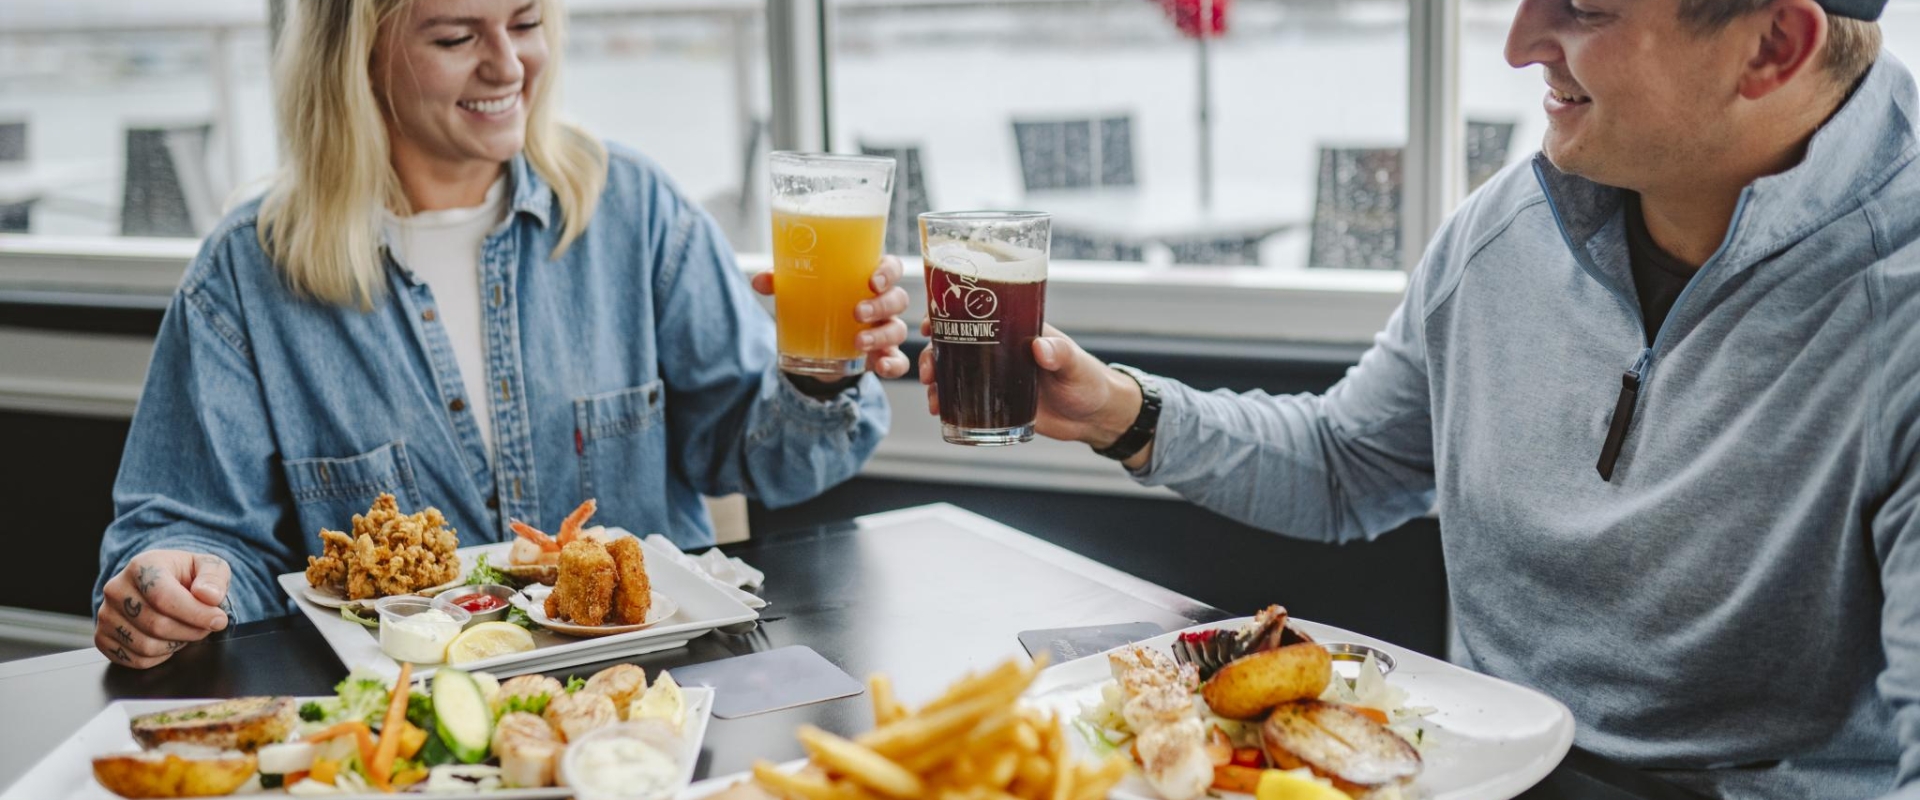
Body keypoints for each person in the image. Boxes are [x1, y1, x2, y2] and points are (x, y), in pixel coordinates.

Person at [924, 0, 1920, 795]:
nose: (1522, 41)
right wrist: (1120, 410)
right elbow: (1349, 463)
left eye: (1585, 9)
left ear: (1772, 45)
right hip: (1457, 768)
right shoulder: (1504, 231)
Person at [92, 0, 912, 669]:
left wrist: (820, 379)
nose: (509, 65)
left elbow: (759, 456)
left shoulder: (636, 210)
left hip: (660, 704)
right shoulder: (246, 272)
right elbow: (188, 530)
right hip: (406, 728)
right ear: (360, 54)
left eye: (525, 23)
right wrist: (174, 584)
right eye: (456, 36)